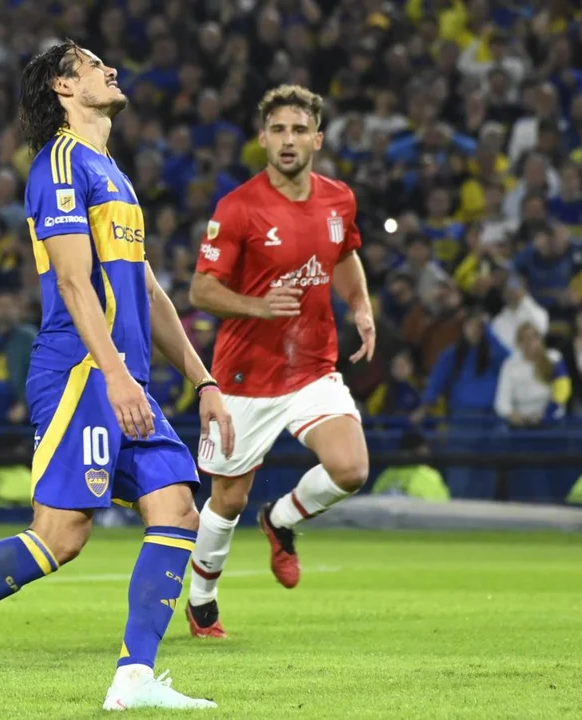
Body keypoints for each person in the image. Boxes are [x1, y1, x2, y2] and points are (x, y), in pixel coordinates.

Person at [0, 41, 233, 713]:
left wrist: (203, 381)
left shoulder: (111, 172)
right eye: (92, 64)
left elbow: (148, 292)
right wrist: (114, 375)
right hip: (82, 371)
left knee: (177, 507)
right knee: (61, 535)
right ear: (64, 87)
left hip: (122, 375)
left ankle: (134, 678)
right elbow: (71, 281)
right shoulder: (57, 164)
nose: (110, 68)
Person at [186, 84, 374, 638]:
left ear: (317, 139)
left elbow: (344, 255)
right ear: (263, 139)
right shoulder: (238, 207)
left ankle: (282, 519)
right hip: (245, 375)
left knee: (351, 468)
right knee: (228, 499)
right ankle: (201, 601)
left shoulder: (339, 199)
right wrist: (258, 306)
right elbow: (200, 291)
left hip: (312, 366)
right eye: (278, 130)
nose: (288, 140)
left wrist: (360, 306)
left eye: (299, 130)